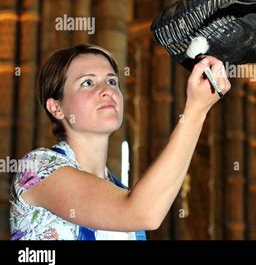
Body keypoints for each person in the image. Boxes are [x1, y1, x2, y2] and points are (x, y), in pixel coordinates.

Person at [10, 43, 231, 240]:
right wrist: (196, 110)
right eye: (87, 82)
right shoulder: (38, 169)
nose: (107, 90)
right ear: (56, 107)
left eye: (112, 81)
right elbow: (143, 213)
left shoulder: (120, 191)